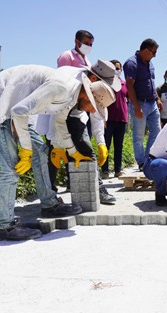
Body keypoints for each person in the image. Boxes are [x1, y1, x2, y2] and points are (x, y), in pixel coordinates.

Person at [0, 65, 98, 241]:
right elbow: (18, 112)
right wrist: (26, 150)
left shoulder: (72, 96)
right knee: (11, 165)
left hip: (15, 104)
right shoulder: (61, 88)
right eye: (93, 106)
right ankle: (5, 226)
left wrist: (73, 152)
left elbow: (59, 122)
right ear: (86, 94)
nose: (92, 111)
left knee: (41, 152)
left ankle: (49, 205)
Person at [49, 60, 120, 205]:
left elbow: (96, 113)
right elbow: (53, 116)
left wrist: (101, 142)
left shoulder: (92, 90)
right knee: (52, 155)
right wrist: (56, 143)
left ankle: (97, 189)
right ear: (94, 79)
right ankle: (50, 198)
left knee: (87, 152)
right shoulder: (67, 82)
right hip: (52, 113)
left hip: (75, 115)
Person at [38, 29, 94, 192]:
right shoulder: (67, 56)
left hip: (76, 109)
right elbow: (61, 80)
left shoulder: (88, 62)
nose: (88, 46)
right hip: (62, 105)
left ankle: (72, 183)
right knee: (55, 148)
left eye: (91, 44)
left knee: (74, 147)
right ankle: (50, 189)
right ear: (77, 42)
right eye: (86, 43)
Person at [124, 38, 163, 170]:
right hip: (139, 104)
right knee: (139, 135)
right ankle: (141, 162)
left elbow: (151, 83)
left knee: (157, 132)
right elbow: (130, 86)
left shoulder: (150, 64)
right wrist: (136, 107)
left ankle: (148, 159)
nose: (155, 55)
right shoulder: (131, 63)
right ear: (146, 50)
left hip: (152, 103)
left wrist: (157, 99)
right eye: (153, 52)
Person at [101, 60, 128, 178]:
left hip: (121, 119)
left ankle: (118, 170)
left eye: (118, 68)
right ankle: (105, 170)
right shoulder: (105, 83)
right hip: (108, 120)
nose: (117, 71)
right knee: (106, 145)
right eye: (114, 68)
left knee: (119, 146)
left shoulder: (124, 84)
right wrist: (102, 119)